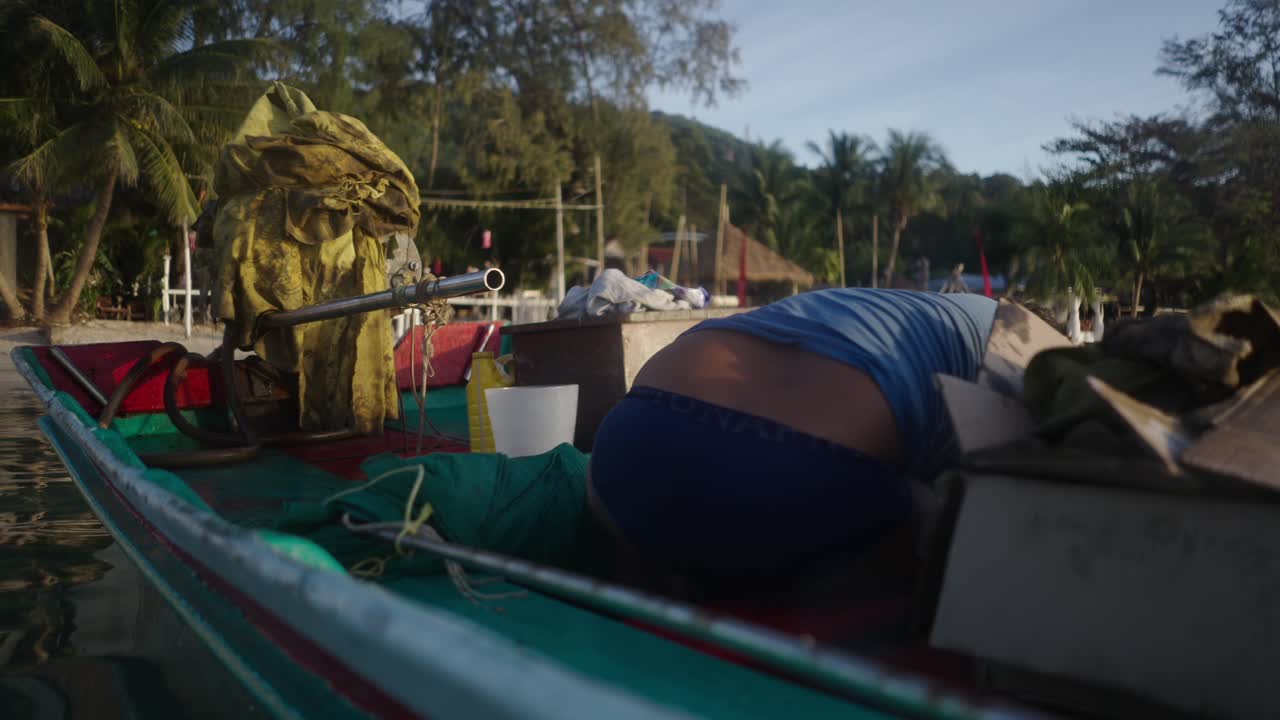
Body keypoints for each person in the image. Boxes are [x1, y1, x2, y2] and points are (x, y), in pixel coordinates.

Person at [587, 288, 997, 596]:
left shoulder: (899, 305)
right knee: (937, 514)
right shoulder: (1015, 344)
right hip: (785, 471)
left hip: (623, 447)